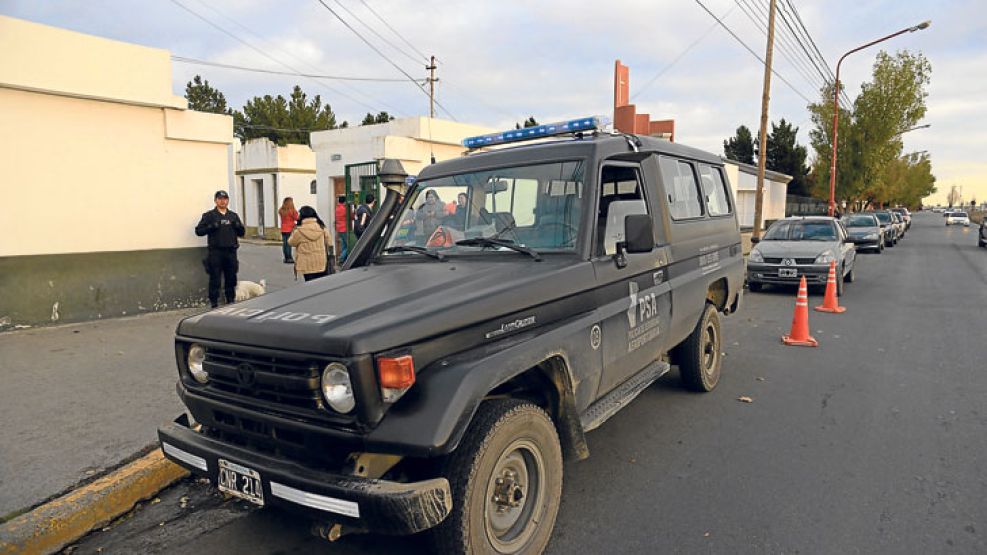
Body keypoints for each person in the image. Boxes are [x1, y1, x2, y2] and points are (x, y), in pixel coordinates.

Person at [194, 190, 245, 308]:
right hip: (216, 252)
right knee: (215, 278)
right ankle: (214, 302)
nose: (223, 201)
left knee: (231, 277)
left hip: (231, 251)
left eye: (225, 199)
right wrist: (211, 227)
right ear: (216, 200)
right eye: (220, 199)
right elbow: (198, 231)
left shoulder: (233, 216)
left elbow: (242, 232)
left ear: (228, 200)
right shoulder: (209, 216)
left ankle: (230, 300)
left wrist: (238, 227)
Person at [288, 206, 334, 282]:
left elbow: (291, 242)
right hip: (321, 262)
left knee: (309, 285)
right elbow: (329, 242)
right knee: (320, 284)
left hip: (306, 264)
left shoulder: (299, 231)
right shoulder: (322, 228)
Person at [278, 197, 298, 264]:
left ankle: (286, 257)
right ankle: (289, 258)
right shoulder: (292, 210)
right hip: (289, 228)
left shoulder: (281, 210)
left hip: (283, 228)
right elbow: (296, 218)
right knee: (289, 243)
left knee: (285, 243)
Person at [334, 195, 349, 262]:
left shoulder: (337, 208)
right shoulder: (344, 209)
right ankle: (341, 258)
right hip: (344, 228)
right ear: (345, 201)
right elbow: (350, 216)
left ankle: (343, 258)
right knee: (348, 245)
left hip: (339, 228)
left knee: (343, 244)